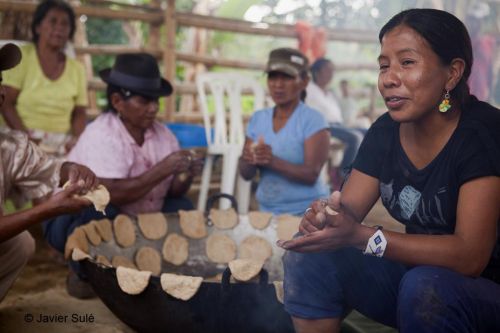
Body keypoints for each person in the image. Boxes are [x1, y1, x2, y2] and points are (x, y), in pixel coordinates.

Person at [279, 8, 500, 333]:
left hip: (482, 292)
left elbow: (470, 256)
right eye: (384, 65)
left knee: (426, 286)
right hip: (418, 285)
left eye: (407, 63)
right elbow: (347, 212)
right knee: (312, 252)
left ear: (452, 73)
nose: (388, 78)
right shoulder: (386, 131)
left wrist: (365, 237)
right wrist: (325, 220)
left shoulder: (482, 132)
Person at [43, 52, 203, 298]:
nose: (153, 108)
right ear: (117, 101)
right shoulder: (103, 134)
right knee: (101, 213)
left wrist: (185, 175)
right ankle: (82, 271)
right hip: (73, 218)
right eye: (144, 101)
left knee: (181, 206)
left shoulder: (164, 136)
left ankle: (149, 261)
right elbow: (110, 195)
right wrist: (163, 169)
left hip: (136, 218)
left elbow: (172, 192)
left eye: (155, 101)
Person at [0, 43, 99, 303]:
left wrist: (72, 169)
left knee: (20, 244)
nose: (0, 93)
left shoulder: (7, 144)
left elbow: (48, 168)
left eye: (0, 82)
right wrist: (46, 210)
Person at [238, 47, 330, 216]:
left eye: (287, 77)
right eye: (273, 76)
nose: (278, 84)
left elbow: (311, 175)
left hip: (308, 212)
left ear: (304, 81)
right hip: (267, 212)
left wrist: (271, 161)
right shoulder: (258, 119)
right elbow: (246, 174)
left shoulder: (313, 120)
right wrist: (248, 159)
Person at [1, 0, 88, 156]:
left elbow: (79, 112)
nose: (59, 28)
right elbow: (6, 103)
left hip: (60, 143)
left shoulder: (77, 69)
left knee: (78, 174)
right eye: (53, 21)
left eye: (65, 24)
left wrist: (76, 140)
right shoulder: (22, 57)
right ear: (38, 27)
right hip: (19, 136)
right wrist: (26, 139)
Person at [305, 58, 364, 182]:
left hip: (338, 125)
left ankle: (361, 171)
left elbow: (338, 114)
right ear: (317, 72)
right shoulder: (308, 89)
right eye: (328, 70)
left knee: (368, 132)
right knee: (355, 137)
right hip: (322, 126)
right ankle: (341, 174)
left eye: (333, 71)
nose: (331, 74)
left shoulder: (329, 93)